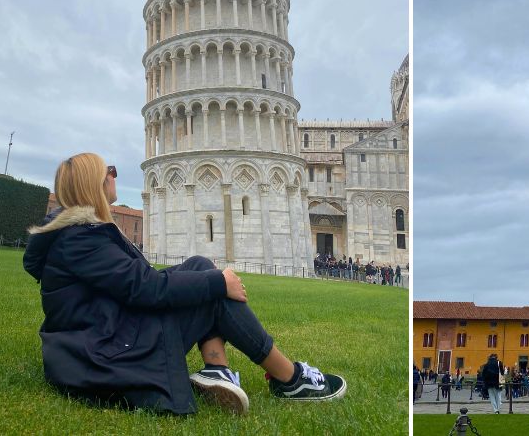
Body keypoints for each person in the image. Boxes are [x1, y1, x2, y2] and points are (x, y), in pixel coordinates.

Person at [22, 154, 346, 416]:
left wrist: (209, 278)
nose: (114, 174)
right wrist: (218, 283)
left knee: (199, 267)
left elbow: (139, 281)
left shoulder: (80, 235)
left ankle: (217, 370)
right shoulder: (81, 239)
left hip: (109, 336)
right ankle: (289, 377)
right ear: (92, 184)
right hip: (105, 355)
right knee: (213, 291)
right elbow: (145, 288)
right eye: (109, 170)